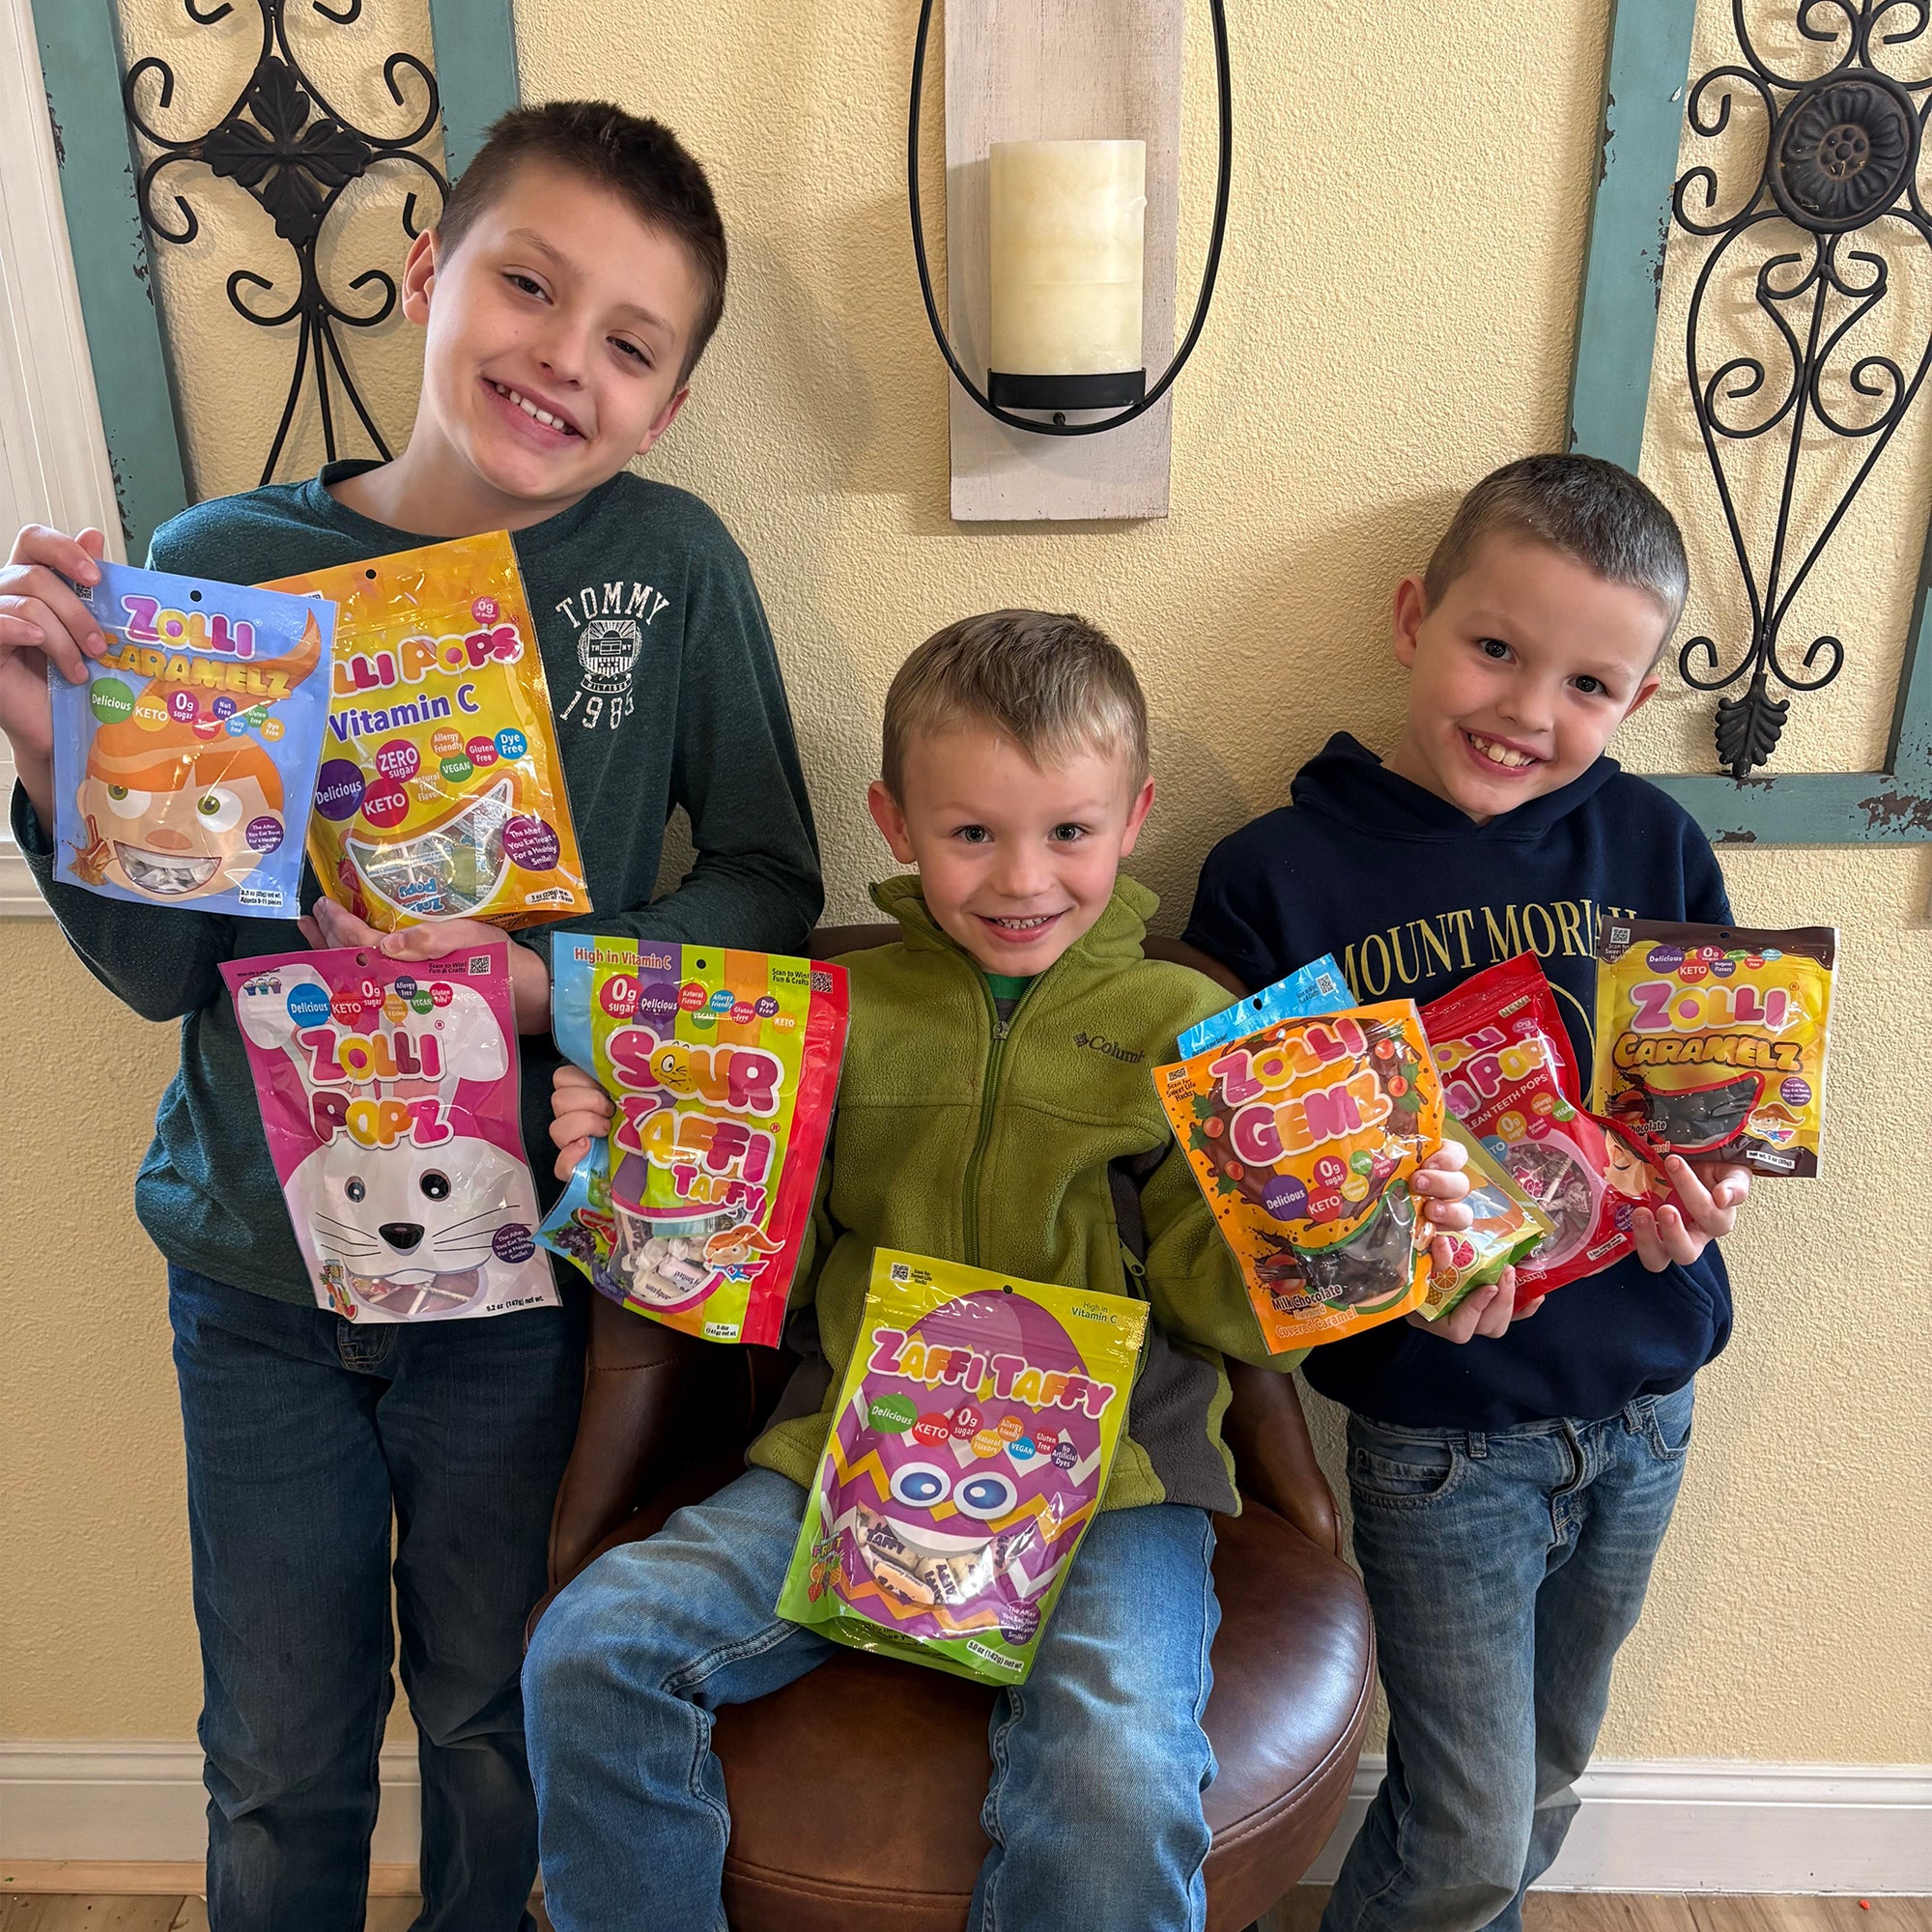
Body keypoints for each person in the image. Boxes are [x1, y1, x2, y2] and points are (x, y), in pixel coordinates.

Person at [0, 101, 820, 1932]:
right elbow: (154, 975)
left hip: (526, 1279)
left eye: (630, 342)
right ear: (428, 273)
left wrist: (555, 978)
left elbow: (771, 876)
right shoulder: (222, 556)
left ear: (670, 404)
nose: (562, 358)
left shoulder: (669, 569)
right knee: (280, 1752)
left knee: (488, 1718)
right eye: (525, 283)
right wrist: (59, 761)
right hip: (254, 1276)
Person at [522, 608, 1480, 1932]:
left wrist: (1351, 1222)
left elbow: (1228, 1309)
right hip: (847, 1451)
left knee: (1119, 1766)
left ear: (1135, 816)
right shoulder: (829, 1017)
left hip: (1120, 1488)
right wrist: (636, 1160)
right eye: (974, 832)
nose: (1023, 878)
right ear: (896, 821)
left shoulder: (1190, 1027)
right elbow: (765, 1278)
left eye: (1069, 832)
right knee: (594, 1646)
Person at [1183, 454, 1751, 1932]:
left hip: (1646, 1404)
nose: (1526, 711)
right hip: (1444, 1444)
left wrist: (1700, 1203)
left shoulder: (1657, 847)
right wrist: (1396, 1272)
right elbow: (1263, 1197)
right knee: (1465, 1840)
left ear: (1637, 703)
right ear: (1411, 617)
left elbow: (1703, 1114)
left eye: (1589, 684)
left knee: (1544, 1789)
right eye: (1495, 649)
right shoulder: (1272, 881)